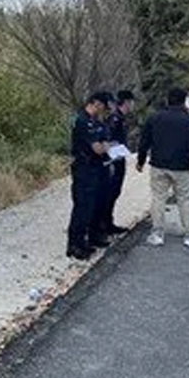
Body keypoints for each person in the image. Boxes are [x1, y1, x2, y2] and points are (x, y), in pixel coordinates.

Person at [136, 87, 189, 249]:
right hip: (181, 166)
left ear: (167, 100)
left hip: (158, 164)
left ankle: (157, 233)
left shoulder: (154, 118)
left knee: (158, 198)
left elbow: (144, 142)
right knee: (185, 199)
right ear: (184, 101)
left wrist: (140, 161)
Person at [68, 93, 112, 260]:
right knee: (82, 207)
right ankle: (75, 245)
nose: (104, 109)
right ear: (95, 103)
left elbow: (105, 141)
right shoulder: (82, 121)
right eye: (102, 106)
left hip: (95, 168)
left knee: (93, 205)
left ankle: (90, 238)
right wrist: (104, 145)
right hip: (84, 168)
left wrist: (104, 144)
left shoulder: (94, 121)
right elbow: (98, 148)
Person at [99, 90, 136, 235]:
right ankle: (104, 225)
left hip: (119, 159)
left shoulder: (119, 118)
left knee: (115, 192)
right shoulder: (115, 119)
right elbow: (109, 140)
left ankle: (108, 222)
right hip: (113, 161)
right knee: (110, 192)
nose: (133, 105)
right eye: (131, 102)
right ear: (126, 102)